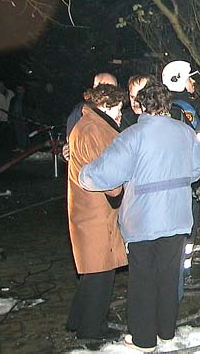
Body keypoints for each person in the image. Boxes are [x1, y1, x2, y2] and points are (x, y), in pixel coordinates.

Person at [79, 81, 200, 352]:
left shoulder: (133, 135)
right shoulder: (185, 133)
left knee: (143, 280)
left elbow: (106, 173)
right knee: (169, 277)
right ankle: (166, 333)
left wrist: (82, 174)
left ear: (141, 106)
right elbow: (196, 170)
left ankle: (144, 341)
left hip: (144, 221)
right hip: (178, 217)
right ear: (167, 105)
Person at [65, 84, 128, 341]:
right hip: (95, 214)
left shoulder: (90, 124)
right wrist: (122, 190)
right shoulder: (93, 130)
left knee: (92, 272)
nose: (120, 115)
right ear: (104, 105)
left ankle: (77, 320)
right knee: (101, 273)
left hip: (89, 210)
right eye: (118, 109)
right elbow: (108, 176)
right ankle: (92, 330)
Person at [161, 60, 200, 296]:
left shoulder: (166, 106)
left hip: (176, 184)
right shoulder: (185, 109)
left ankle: (180, 276)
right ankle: (180, 279)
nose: (193, 82)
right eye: (190, 78)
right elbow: (199, 146)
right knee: (186, 233)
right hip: (187, 184)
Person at [66, 73, 118, 138]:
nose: (108, 93)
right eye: (103, 88)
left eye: (112, 89)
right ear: (94, 88)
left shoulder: (121, 114)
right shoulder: (79, 112)